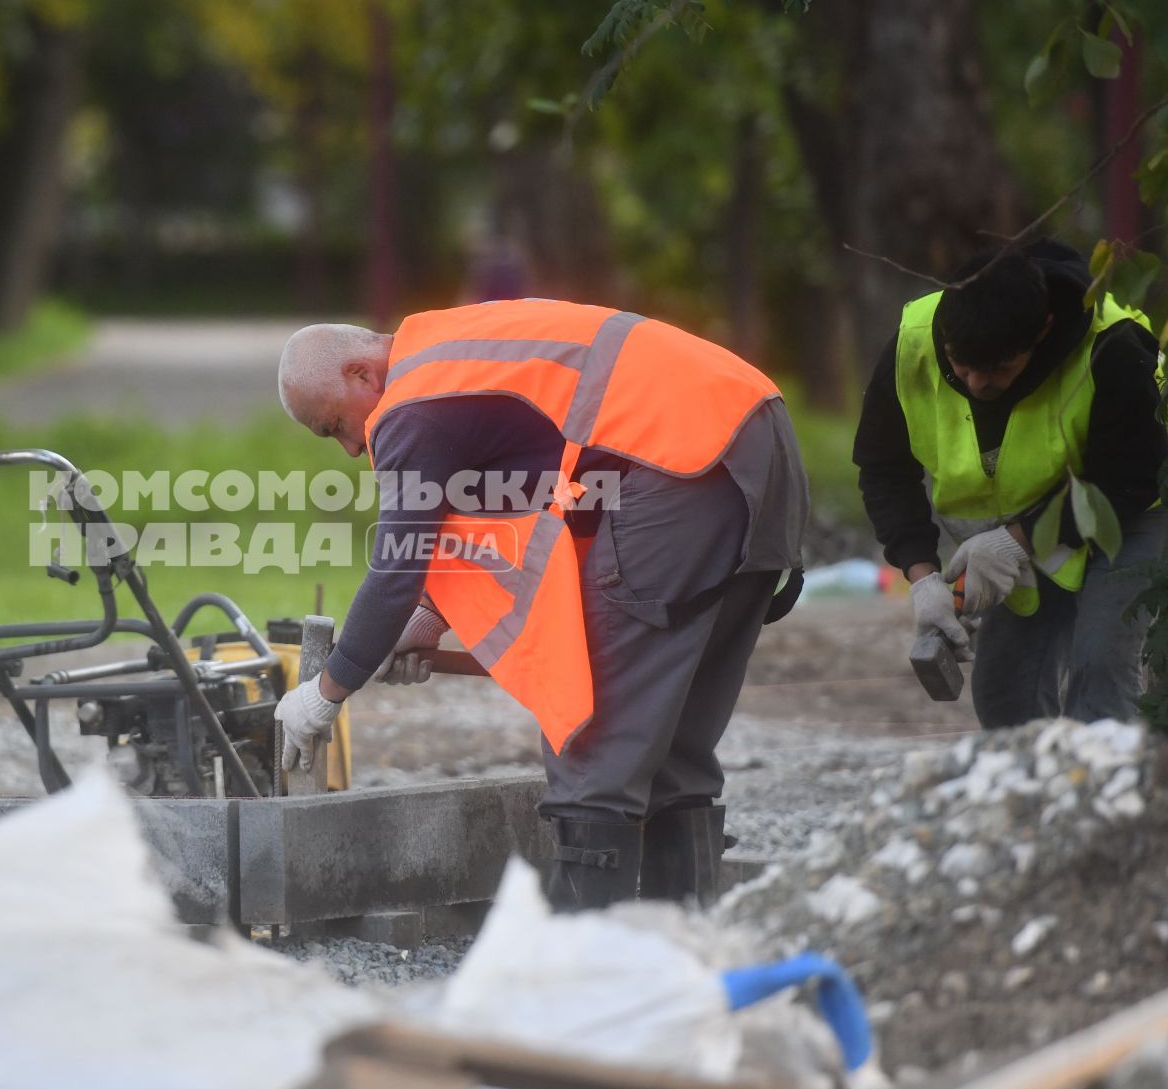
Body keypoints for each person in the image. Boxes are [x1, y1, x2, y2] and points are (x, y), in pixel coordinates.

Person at [272, 300, 809, 909]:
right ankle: (678, 957)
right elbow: (519, 509)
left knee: (593, 739)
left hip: (681, 466)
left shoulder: (409, 404)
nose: (348, 448)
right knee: (673, 744)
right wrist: (429, 619)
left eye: (334, 426)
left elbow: (396, 564)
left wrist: (326, 692)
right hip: (754, 435)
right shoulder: (453, 354)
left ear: (361, 376)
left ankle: (572, 975)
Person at [853, 239, 1168, 728]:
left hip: (1131, 511)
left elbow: (1129, 477)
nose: (976, 384)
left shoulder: (1112, 345)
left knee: (1100, 672)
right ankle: (1032, 798)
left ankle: (1103, 796)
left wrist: (1013, 543)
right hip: (1030, 519)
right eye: (961, 366)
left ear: (1043, 331)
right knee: (1004, 695)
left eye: (999, 370)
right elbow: (883, 468)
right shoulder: (914, 342)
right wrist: (923, 578)